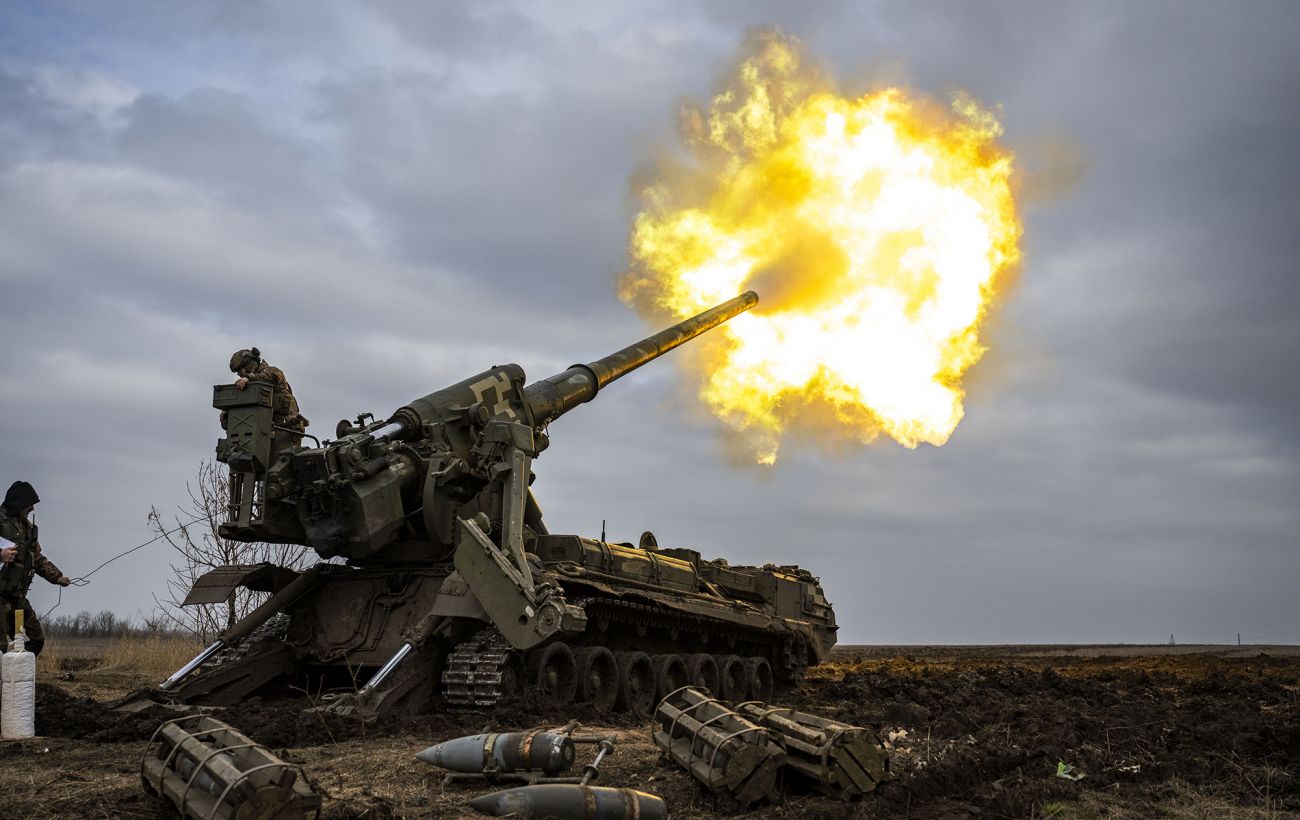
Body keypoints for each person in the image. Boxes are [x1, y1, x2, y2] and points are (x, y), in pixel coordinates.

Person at [0, 481, 71, 656]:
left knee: (35, 640)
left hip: (18, 599)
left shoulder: (28, 528)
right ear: (19, 502)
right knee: (0, 646)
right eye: (29, 504)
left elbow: (37, 558)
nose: (32, 508)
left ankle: (16, 672)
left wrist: (57, 577)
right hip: (0, 596)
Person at [225, 347, 310, 446]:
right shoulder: (249, 385)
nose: (240, 373)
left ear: (252, 363)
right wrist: (227, 412)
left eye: (241, 368)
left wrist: (248, 378)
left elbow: (271, 377)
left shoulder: (272, 371)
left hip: (285, 428)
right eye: (237, 371)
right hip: (261, 432)